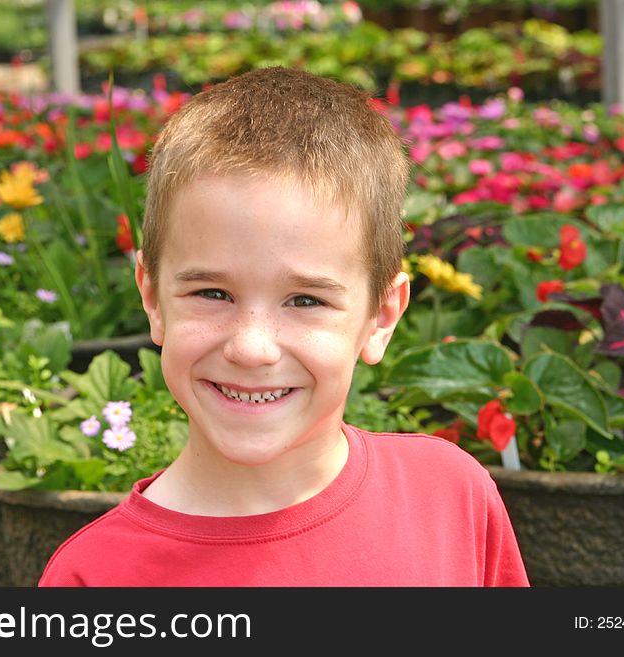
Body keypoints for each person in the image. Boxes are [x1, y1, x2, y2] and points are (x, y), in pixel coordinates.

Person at [39, 66, 529, 587]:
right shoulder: (95, 576)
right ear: (153, 298)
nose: (252, 347)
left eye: (305, 300)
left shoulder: (449, 497)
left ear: (381, 316)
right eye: (212, 293)